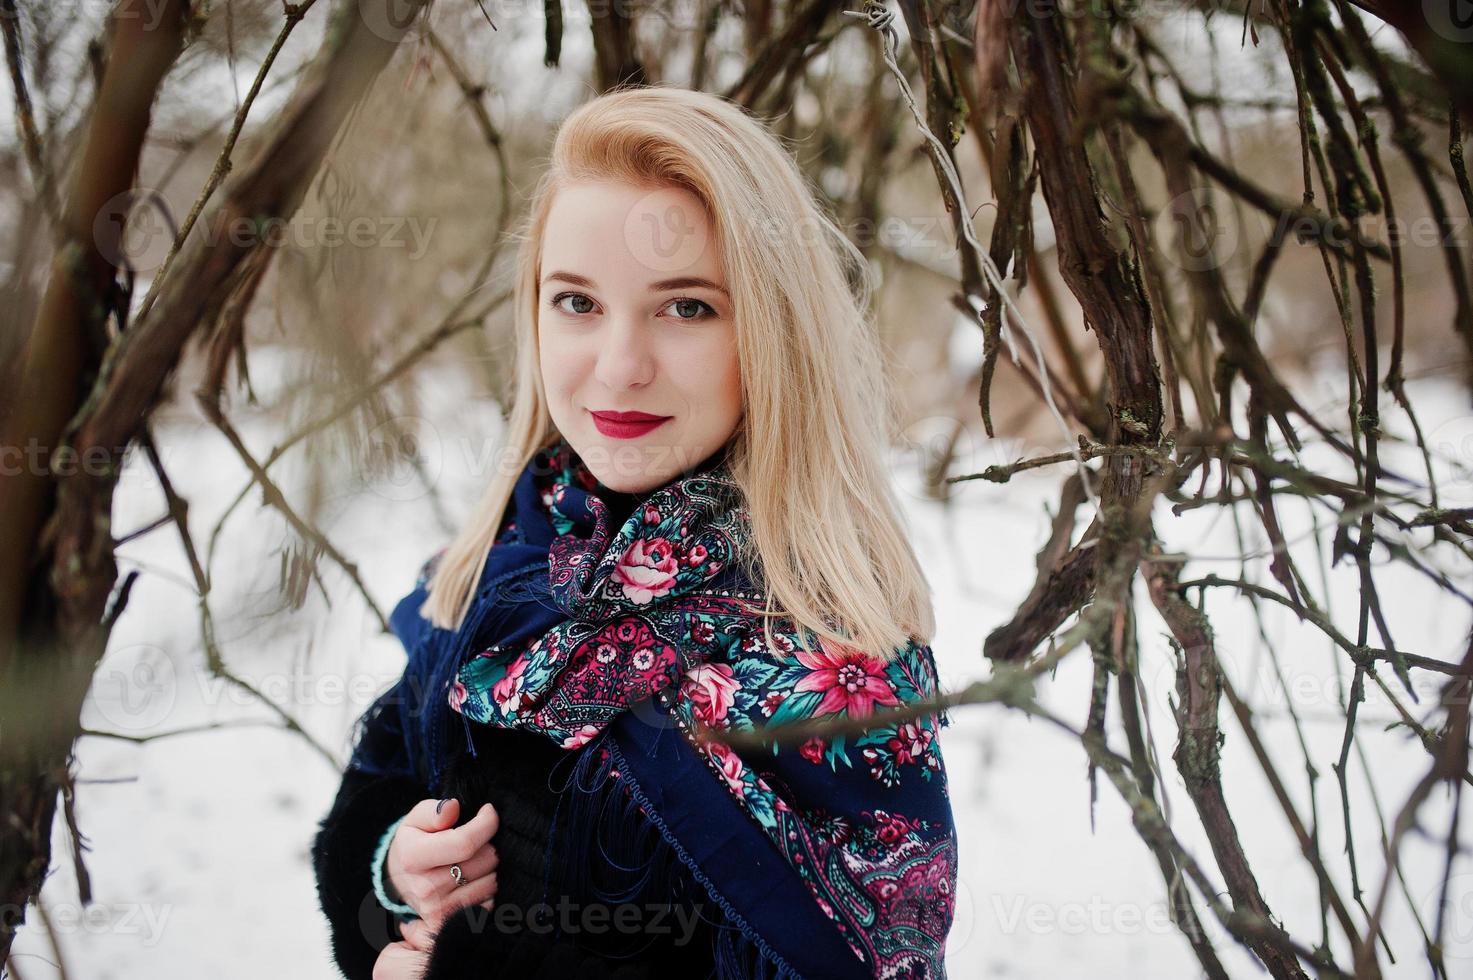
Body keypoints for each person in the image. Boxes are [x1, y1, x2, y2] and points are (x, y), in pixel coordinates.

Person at [311, 84, 959, 980]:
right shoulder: (505, 557)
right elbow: (378, 794)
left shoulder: (829, 636)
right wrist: (393, 874)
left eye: (686, 307)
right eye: (577, 302)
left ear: (772, 332)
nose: (619, 367)